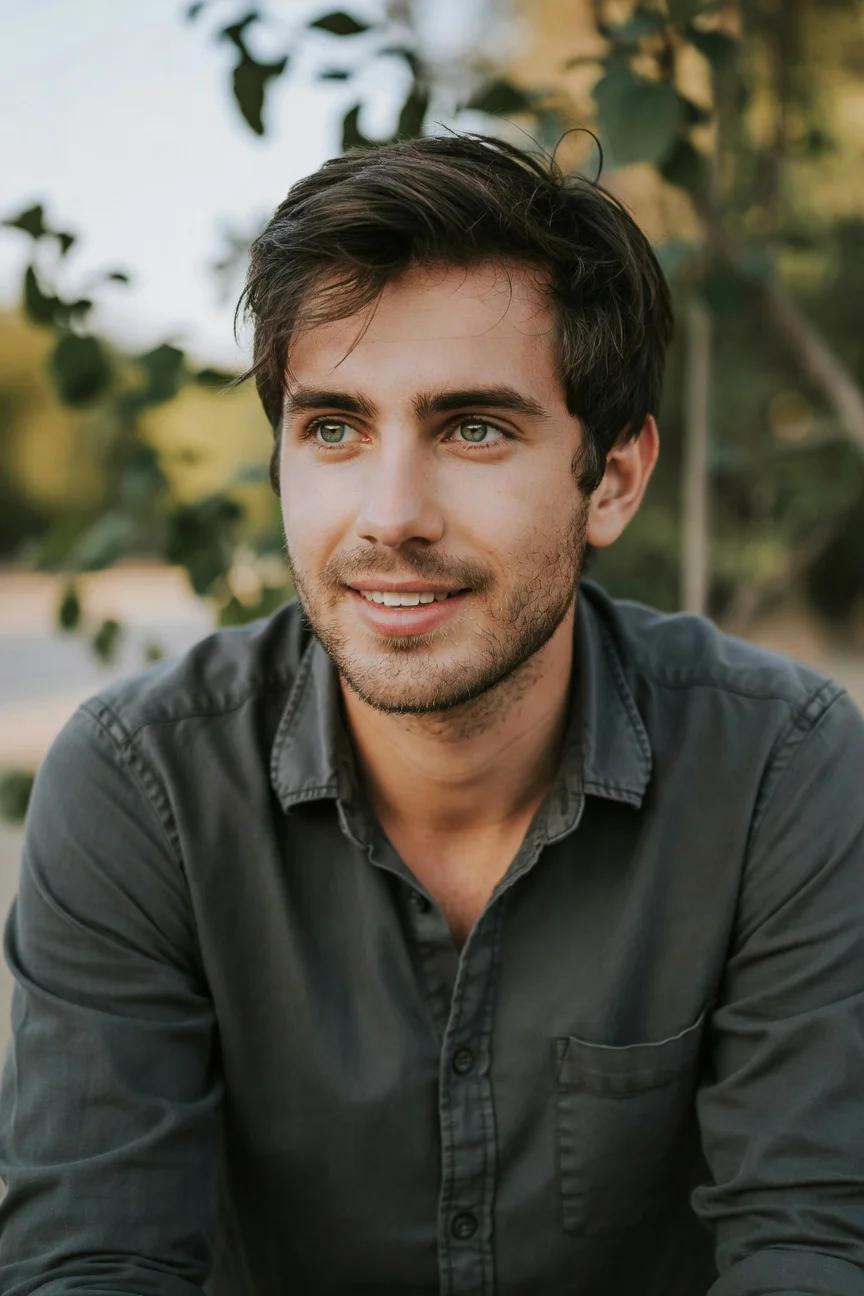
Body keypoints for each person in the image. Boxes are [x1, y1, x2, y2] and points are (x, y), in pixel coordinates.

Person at [1, 132, 863, 1296]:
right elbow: (92, 1263)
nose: (390, 515)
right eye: (335, 429)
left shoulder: (783, 769)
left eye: (474, 428)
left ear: (611, 478)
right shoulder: (140, 784)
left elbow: (812, 1245)